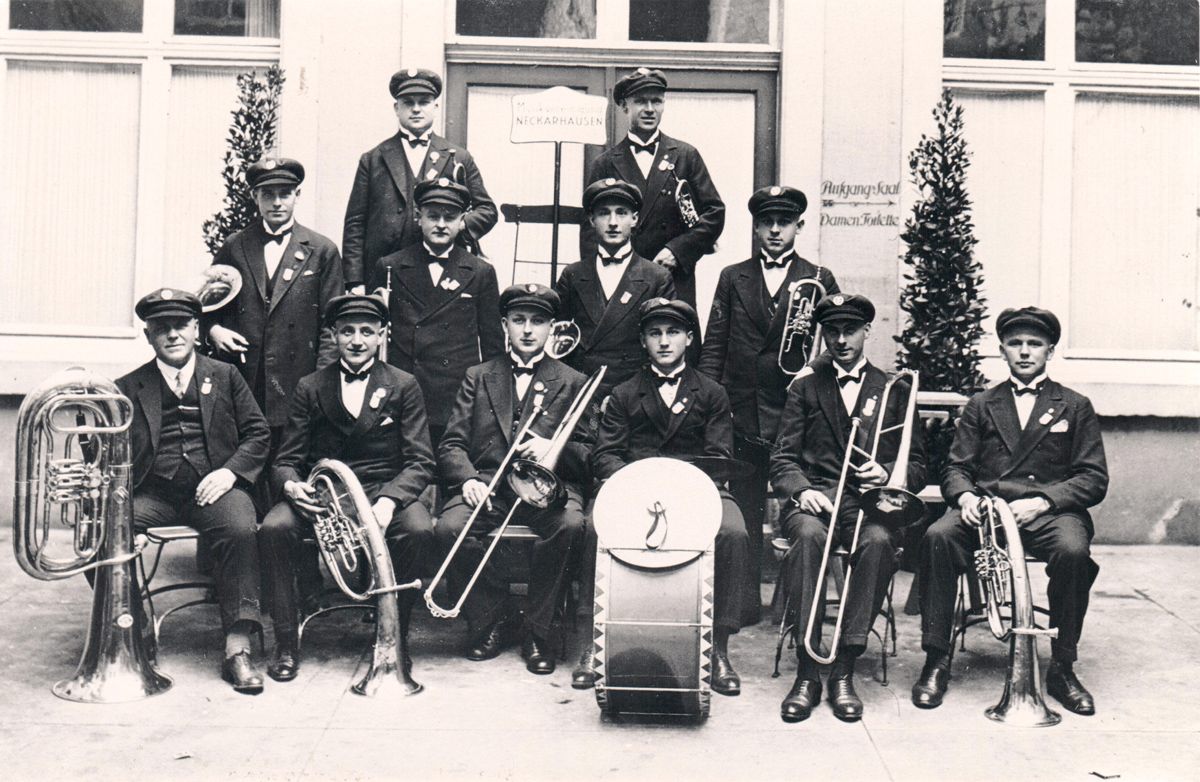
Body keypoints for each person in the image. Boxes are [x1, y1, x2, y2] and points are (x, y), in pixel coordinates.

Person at [912, 306, 1108, 716]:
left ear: (1049, 351)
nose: (1024, 352)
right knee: (937, 537)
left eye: (1033, 344)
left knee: (1073, 552)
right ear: (1002, 350)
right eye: (1015, 344)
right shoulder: (982, 404)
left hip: (1048, 513)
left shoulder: (1075, 405)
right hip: (987, 511)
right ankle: (936, 658)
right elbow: (955, 467)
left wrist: (1044, 501)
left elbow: (1093, 477)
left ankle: (1062, 666)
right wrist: (965, 497)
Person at [576, 297, 750, 695]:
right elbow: (606, 455)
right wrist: (638, 485)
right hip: (635, 489)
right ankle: (591, 644)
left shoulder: (711, 392)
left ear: (689, 338)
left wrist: (678, 486)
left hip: (695, 489)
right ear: (643, 340)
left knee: (733, 532)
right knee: (591, 526)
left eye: (673, 332)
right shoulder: (623, 393)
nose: (665, 341)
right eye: (655, 333)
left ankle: (718, 649)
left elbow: (719, 457)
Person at [259, 293, 436, 682]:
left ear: (381, 337)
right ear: (334, 336)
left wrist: (390, 500)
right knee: (274, 528)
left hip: (382, 489)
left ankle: (395, 640)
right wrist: (291, 487)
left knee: (419, 529)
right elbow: (286, 459)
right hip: (324, 495)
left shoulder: (403, 384)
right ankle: (286, 642)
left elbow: (421, 460)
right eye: (348, 331)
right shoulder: (310, 386)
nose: (357, 340)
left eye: (367, 332)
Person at [769, 293, 926, 723]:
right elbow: (782, 459)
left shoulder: (893, 387)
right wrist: (801, 491)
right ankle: (807, 668)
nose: (840, 340)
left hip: (870, 502)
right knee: (807, 536)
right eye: (832, 331)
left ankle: (843, 668)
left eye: (850, 331)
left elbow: (918, 464)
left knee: (877, 543)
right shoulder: (804, 386)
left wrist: (889, 473)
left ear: (866, 332)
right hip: (816, 498)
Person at [117, 288, 270, 693]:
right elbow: (109, 454)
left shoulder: (225, 375)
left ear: (196, 329)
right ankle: (133, 626)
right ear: (148, 335)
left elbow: (258, 433)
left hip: (216, 489)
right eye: (161, 327)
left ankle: (237, 648)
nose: (172, 335)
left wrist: (231, 473)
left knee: (241, 528)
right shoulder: (128, 387)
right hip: (154, 494)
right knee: (104, 530)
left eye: (180, 325)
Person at [434, 284, 591, 675]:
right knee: (450, 528)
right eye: (519, 320)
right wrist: (468, 478)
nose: (527, 330)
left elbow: (589, 453)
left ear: (551, 328)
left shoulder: (573, 380)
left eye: (538, 321)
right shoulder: (479, 375)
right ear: (504, 324)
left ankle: (539, 631)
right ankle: (491, 620)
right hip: (489, 485)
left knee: (571, 526)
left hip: (546, 489)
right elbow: (451, 442)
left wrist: (553, 448)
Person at [700, 184, 839, 624]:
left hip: (795, 416)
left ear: (799, 226)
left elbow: (834, 340)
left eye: (784, 223)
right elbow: (714, 344)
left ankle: (796, 608)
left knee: (799, 509)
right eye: (766, 223)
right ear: (756, 227)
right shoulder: (732, 276)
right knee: (741, 508)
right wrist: (707, 399)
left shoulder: (819, 277)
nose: (775, 230)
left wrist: (810, 370)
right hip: (741, 413)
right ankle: (739, 607)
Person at [205, 157, 344, 481]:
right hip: (246, 376)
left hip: (298, 377)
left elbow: (331, 324)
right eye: (268, 194)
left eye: (285, 193)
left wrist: (321, 382)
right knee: (248, 455)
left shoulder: (322, 250)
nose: (277, 202)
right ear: (255, 197)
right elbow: (208, 307)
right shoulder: (235, 246)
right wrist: (214, 331)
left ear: (298, 195)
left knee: (290, 461)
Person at [374, 178, 504, 448]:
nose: (441, 225)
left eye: (450, 217)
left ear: (462, 221)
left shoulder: (480, 272)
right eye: (433, 216)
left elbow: (492, 345)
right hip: (406, 389)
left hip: (455, 394)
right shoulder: (391, 267)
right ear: (418, 217)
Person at [580, 67, 724, 310]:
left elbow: (714, 213)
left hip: (673, 278)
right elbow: (589, 230)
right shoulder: (605, 163)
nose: (649, 109)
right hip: (620, 279)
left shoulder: (686, 156)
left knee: (671, 343)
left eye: (656, 101)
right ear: (625, 106)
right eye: (640, 102)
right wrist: (596, 283)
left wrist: (677, 252)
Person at [343, 68, 497, 292]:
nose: (416, 109)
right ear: (396, 108)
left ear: (435, 107)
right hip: (385, 270)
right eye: (408, 102)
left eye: (423, 102)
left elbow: (487, 210)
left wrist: (457, 224)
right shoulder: (373, 159)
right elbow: (355, 223)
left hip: (441, 267)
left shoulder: (458, 157)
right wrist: (355, 281)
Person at [555, 177, 675, 399]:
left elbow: (664, 346)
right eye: (603, 213)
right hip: (582, 393)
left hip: (635, 395)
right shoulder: (573, 275)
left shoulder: (657, 277)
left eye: (621, 212)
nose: (613, 222)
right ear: (591, 219)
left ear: (635, 219)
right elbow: (557, 342)